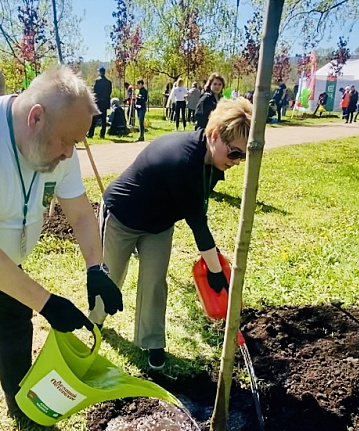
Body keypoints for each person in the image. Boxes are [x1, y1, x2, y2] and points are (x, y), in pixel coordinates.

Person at [89, 97, 252, 370]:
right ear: (214, 136)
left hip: (159, 224)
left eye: (243, 156)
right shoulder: (184, 159)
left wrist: (216, 268)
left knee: (155, 281)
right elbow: (197, 222)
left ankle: (152, 341)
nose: (237, 161)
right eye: (235, 153)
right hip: (123, 215)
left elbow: (197, 209)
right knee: (112, 275)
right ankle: (95, 321)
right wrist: (215, 271)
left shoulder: (211, 161)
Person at [0, 66, 123, 418]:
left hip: (9, 266)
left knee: (13, 324)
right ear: (35, 118)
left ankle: (19, 405)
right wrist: (47, 302)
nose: (70, 154)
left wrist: (97, 268)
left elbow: (82, 215)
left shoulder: (58, 141)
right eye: (67, 142)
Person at [87, 66, 112, 139]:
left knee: (94, 119)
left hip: (98, 102)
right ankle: (102, 134)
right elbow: (109, 92)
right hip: (105, 103)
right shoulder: (109, 82)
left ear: (100, 72)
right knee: (104, 119)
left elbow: (94, 92)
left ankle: (91, 133)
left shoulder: (97, 81)